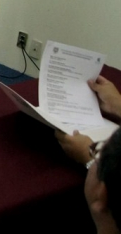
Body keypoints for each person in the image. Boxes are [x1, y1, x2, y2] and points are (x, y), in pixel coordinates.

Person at [55, 76, 121, 234]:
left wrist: (89, 157)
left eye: (98, 148)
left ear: (102, 193)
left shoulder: (104, 187)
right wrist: (118, 104)